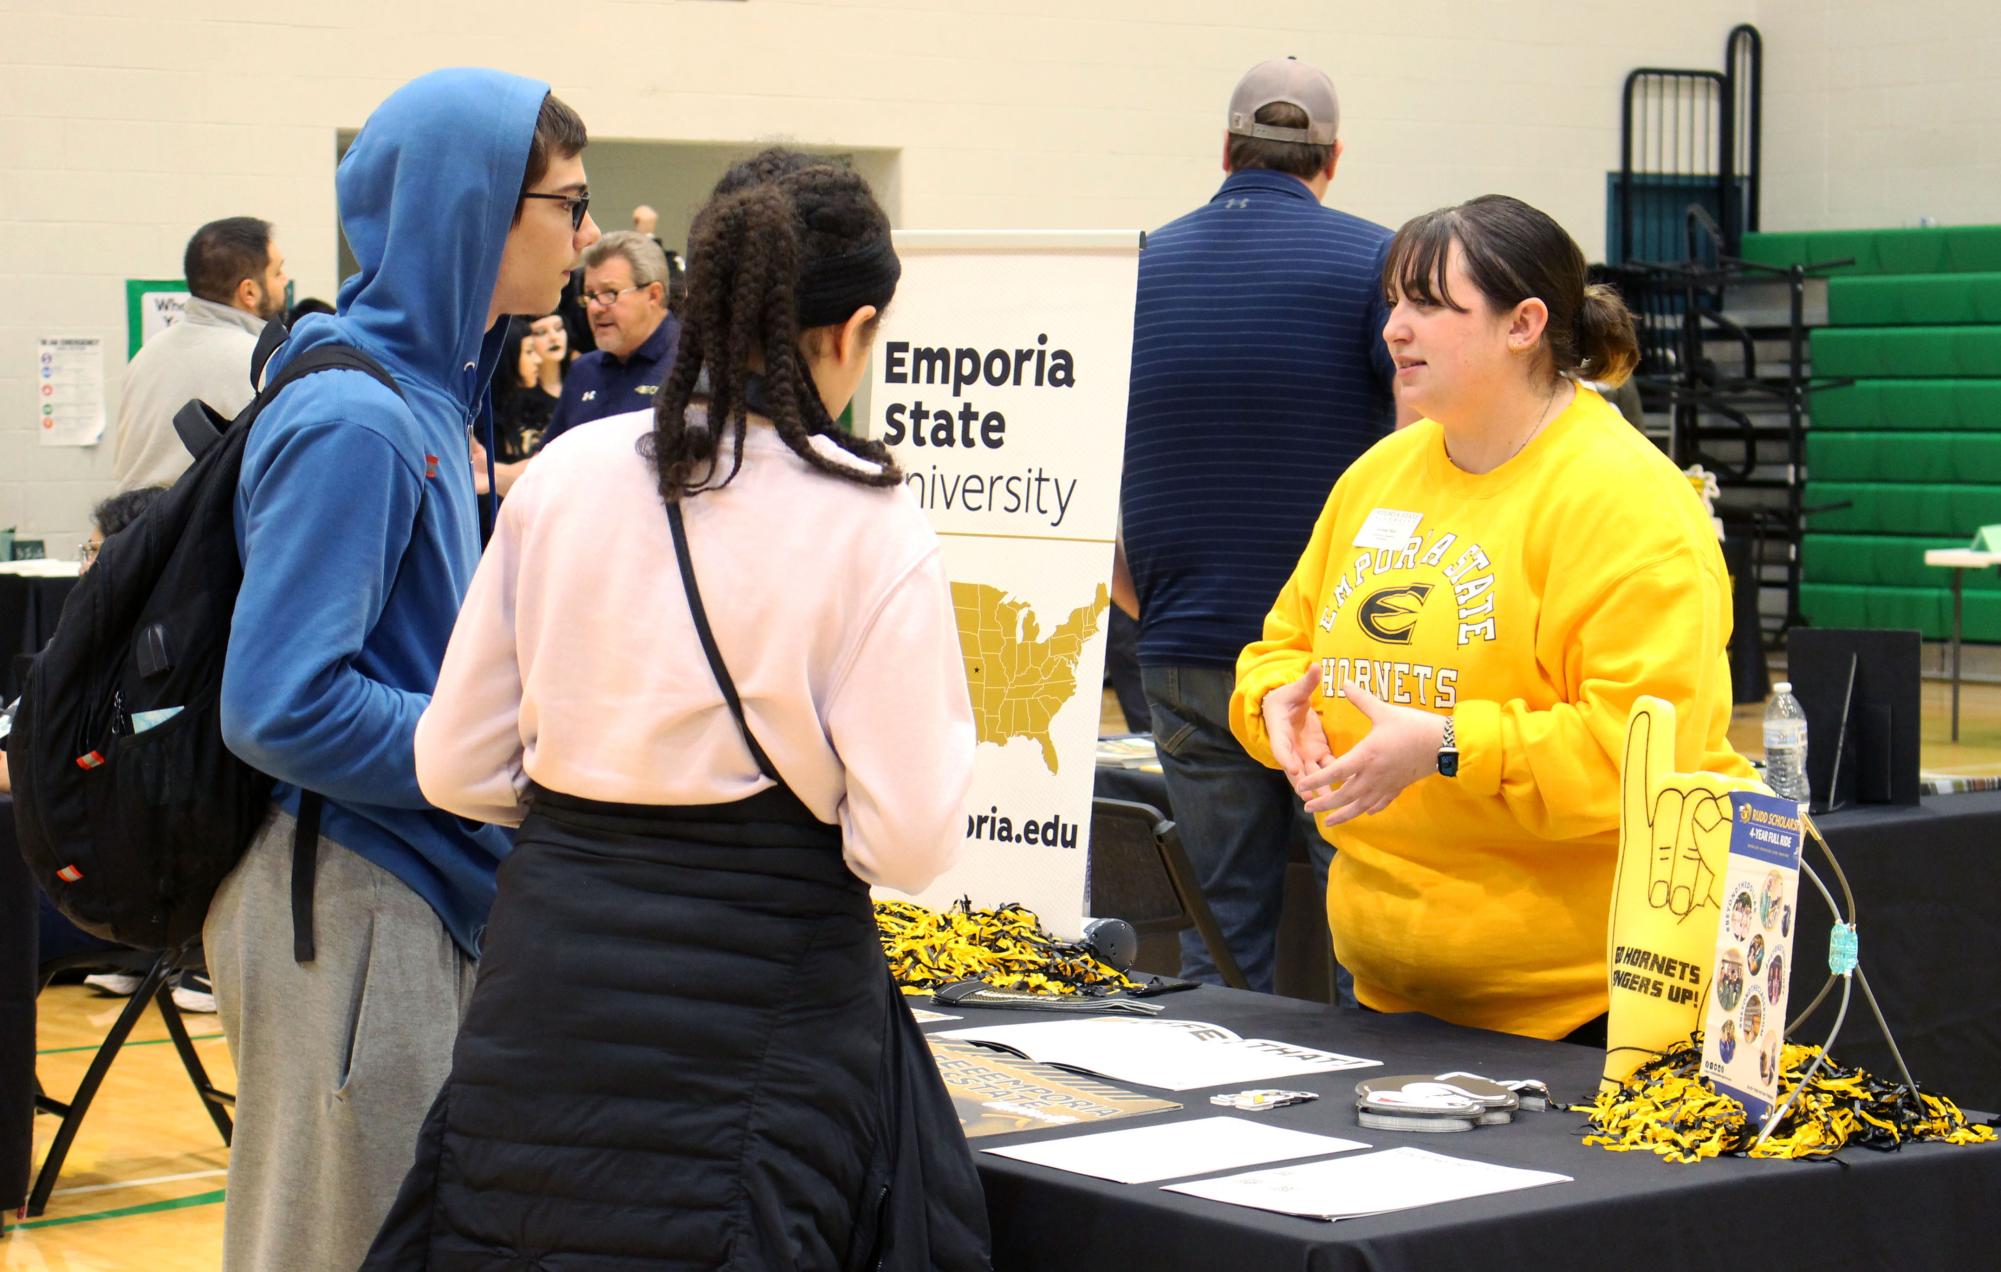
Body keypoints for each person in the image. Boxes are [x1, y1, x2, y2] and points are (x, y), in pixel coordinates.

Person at [365, 151, 989, 1269]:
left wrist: (601, 807)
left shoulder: (564, 475)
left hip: (549, 985)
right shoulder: (868, 519)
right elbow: (908, 842)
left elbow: (452, 764)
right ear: (851, 330)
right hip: (762, 1011)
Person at [204, 70, 599, 1272]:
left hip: (403, 885)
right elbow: (277, 702)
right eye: (567, 206)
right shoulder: (360, 425)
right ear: (472, 208)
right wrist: (497, 751)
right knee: (332, 1243)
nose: (586, 240)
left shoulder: (430, 398)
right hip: (352, 900)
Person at [1231, 194, 1751, 1042]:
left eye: (1430, 304)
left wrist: (1445, 746)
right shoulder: (1377, 477)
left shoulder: (1628, 504)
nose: (1395, 328)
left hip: (1587, 1012)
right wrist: (1272, 706)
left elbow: (1643, 754)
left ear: (1524, 325)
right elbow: (1281, 647)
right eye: (1394, 301)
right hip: (1385, 991)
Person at [1116, 56, 1404, 995]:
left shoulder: (1141, 264)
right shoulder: (1377, 263)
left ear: (1225, 151)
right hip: (1332, 665)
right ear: (1331, 159)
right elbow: (1420, 461)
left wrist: (1149, 606)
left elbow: (1071, 486)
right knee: (1361, 935)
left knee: (1218, 937)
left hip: (1185, 649)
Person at [111, 217, 289, 492]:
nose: (284, 281)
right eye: (277, 273)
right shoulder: (260, 362)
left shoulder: (145, 355)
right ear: (249, 292)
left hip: (127, 531)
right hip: (198, 532)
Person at [539, 229, 681, 446]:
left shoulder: (692, 365)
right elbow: (549, 459)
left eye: (609, 293)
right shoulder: (584, 370)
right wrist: (495, 473)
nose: (595, 308)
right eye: (590, 295)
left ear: (653, 295)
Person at [476, 311, 568, 495]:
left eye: (558, 329)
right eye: (529, 351)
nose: (538, 359)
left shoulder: (515, 405)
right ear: (507, 357)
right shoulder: (482, 421)